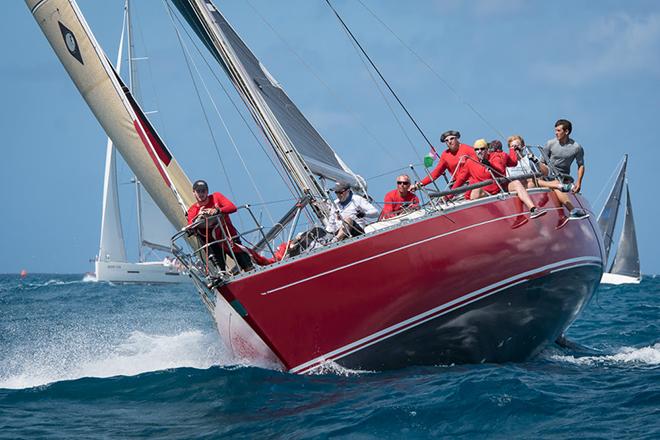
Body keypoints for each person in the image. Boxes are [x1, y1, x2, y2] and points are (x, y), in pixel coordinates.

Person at [452, 139, 546, 219]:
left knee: (517, 183)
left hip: (499, 188)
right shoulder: (470, 162)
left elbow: (503, 168)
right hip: (485, 193)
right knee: (476, 191)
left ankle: (533, 209)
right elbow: (460, 180)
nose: (479, 151)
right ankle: (486, 218)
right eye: (476, 149)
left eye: (482, 149)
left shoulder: (496, 156)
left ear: (487, 150)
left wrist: (490, 164)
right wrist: (446, 197)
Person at [186, 180, 253, 272]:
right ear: (194, 193)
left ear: (207, 191)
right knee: (221, 271)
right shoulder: (192, 210)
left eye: (203, 191)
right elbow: (190, 226)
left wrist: (217, 211)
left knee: (247, 265)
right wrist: (199, 216)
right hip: (213, 244)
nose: (201, 194)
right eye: (198, 191)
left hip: (229, 237)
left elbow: (232, 207)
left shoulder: (216, 197)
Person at [540, 119, 588, 219]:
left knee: (557, 185)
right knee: (539, 169)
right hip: (548, 173)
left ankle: (565, 213)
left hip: (563, 176)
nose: (556, 133)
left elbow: (581, 165)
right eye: (555, 130)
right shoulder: (550, 143)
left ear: (566, 132)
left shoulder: (576, 147)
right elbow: (542, 162)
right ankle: (571, 211)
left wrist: (579, 182)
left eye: (558, 131)